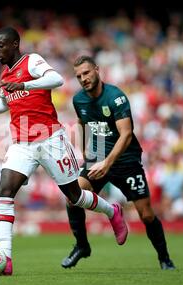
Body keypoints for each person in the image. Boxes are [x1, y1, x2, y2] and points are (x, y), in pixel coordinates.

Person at [0, 27, 128, 276]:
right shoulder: (6, 75)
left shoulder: (32, 61)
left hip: (50, 139)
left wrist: (24, 83)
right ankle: (6, 257)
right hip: (21, 143)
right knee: (4, 190)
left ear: (14, 44)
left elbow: (56, 79)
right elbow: (4, 103)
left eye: (0, 45)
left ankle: (112, 211)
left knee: (75, 196)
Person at [61, 55, 175, 270]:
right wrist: (86, 150)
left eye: (86, 73)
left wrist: (107, 163)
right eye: (79, 76)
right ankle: (82, 246)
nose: (83, 78)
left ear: (97, 69)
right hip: (97, 159)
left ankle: (164, 258)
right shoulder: (78, 100)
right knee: (72, 197)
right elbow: (81, 122)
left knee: (146, 214)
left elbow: (126, 134)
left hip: (125, 161)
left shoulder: (116, 97)